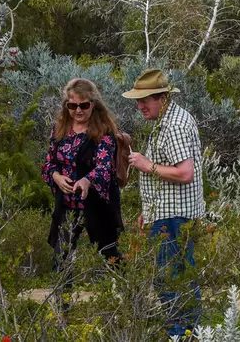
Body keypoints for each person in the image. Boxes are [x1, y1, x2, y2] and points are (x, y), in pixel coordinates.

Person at [123, 69, 205, 339]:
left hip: (175, 216)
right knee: (174, 274)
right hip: (165, 213)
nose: (139, 105)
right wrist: (147, 210)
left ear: (162, 97)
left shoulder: (175, 125)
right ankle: (187, 331)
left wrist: (147, 165)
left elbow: (184, 173)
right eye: (138, 100)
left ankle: (181, 333)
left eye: (145, 99)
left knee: (170, 276)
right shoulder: (165, 120)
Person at [43, 79, 126, 311]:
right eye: (72, 106)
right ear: (66, 106)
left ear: (94, 105)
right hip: (66, 205)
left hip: (96, 205)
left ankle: (129, 298)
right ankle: (63, 309)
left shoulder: (103, 131)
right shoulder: (59, 129)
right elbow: (49, 163)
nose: (78, 110)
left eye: (84, 105)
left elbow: (105, 168)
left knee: (109, 252)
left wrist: (87, 180)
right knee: (61, 257)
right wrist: (57, 178)